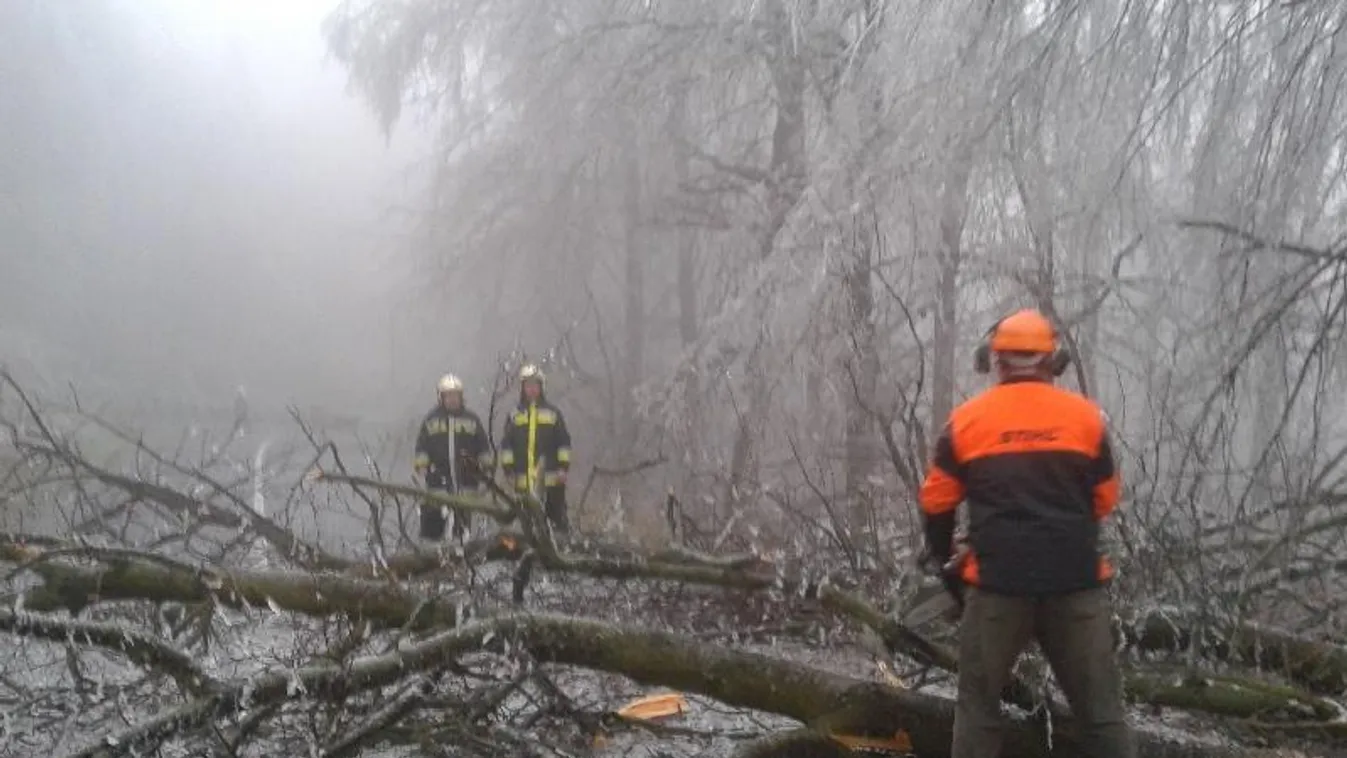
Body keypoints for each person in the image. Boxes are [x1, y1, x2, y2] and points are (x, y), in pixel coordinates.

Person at [917, 308, 1133, 758]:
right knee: (1101, 713)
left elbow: (936, 503)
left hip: (998, 586)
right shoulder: (1086, 419)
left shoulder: (967, 422)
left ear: (994, 361)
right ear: (1052, 361)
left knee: (977, 707)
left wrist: (945, 561)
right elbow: (1105, 500)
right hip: (1075, 584)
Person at [413, 374, 492, 543]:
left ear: (461, 397)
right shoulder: (431, 420)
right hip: (437, 484)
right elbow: (421, 448)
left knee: (461, 532)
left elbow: (483, 448)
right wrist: (422, 468)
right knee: (432, 531)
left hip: (467, 484)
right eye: (448, 396)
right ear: (441, 398)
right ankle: (429, 561)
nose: (452, 400)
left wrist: (487, 472)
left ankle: (460, 562)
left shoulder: (471, 420)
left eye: (455, 396)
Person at [499, 363, 572, 534]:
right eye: (528, 385)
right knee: (527, 526)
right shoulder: (514, 415)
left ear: (541, 387)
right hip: (523, 483)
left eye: (535, 385)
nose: (531, 389)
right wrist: (508, 471)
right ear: (522, 388)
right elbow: (507, 446)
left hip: (552, 482)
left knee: (557, 524)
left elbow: (564, 443)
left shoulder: (553, 413)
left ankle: (560, 553)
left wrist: (563, 469)